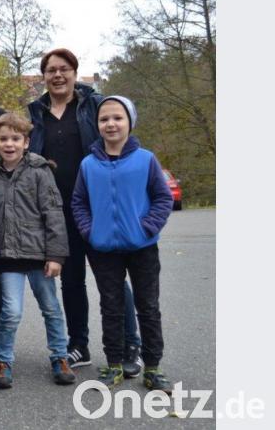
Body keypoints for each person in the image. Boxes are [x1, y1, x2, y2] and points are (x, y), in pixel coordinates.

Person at [28, 49, 143, 375]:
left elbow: (119, 142)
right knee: (72, 281)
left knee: (112, 279)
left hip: (98, 207)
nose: (58, 75)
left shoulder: (94, 106)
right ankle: (79, 345)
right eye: (51, 70)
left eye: (64, 69)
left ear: (75, 73)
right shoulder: (36, 114)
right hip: (56, 211)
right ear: (44, 76)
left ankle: (129, 347)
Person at [71, 96, 174, 392]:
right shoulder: (89, 165)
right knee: (111, 307)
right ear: (97, 125)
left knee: (148, 307)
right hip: (104, 250)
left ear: (130, 122)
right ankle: (114, 364)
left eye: (117, 118)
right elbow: (79, 201)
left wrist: (147, 227)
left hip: (142, 247)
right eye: (104, 119)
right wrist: (90, 231)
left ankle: (153, 367)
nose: (110, 124)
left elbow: (163, 198)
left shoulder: (145, 159)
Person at [0, 112, 76, 389]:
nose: (9, 144)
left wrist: (56, 256)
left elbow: (53, 212)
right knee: (10, 312)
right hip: (7, 257)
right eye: (3, 139)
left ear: (26, 142)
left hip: (39, 256)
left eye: (16, 138)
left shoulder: (39, 171)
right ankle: (4, 362)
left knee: (51, 308)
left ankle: (60, 357)